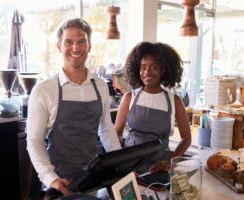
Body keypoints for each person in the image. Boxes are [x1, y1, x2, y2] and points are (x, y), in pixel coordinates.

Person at [26, 18, 122, 195]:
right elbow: (34, 140)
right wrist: (51, 178)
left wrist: (120, 164)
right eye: (68, 42)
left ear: (89, 46)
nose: (76, 48)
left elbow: (106, 130)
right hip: (59, 183)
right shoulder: (44, 90)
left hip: (92, 180)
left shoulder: (100, 86)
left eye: (81, 42)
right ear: (59, 46)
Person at [114, 41, 192, 173]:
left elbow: (187, 139)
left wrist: (169, 162)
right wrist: (119, 163)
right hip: (129, 168)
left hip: (158, 169)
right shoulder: (129, 97)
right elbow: (116, 133)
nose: (147, 72)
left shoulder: (175, 101)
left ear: (163, 69)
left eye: (153, 67)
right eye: (143, 67)